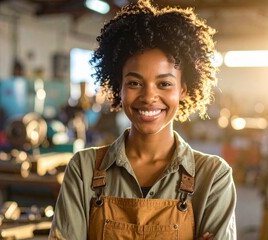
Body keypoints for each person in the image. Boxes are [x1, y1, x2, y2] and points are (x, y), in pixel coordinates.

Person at [49, 0, 237, 239]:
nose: (149, 97)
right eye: (135, 83)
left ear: (183, 90)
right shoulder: (84, 169)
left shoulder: (212, 177)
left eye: (164, 84)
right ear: (120, 88)